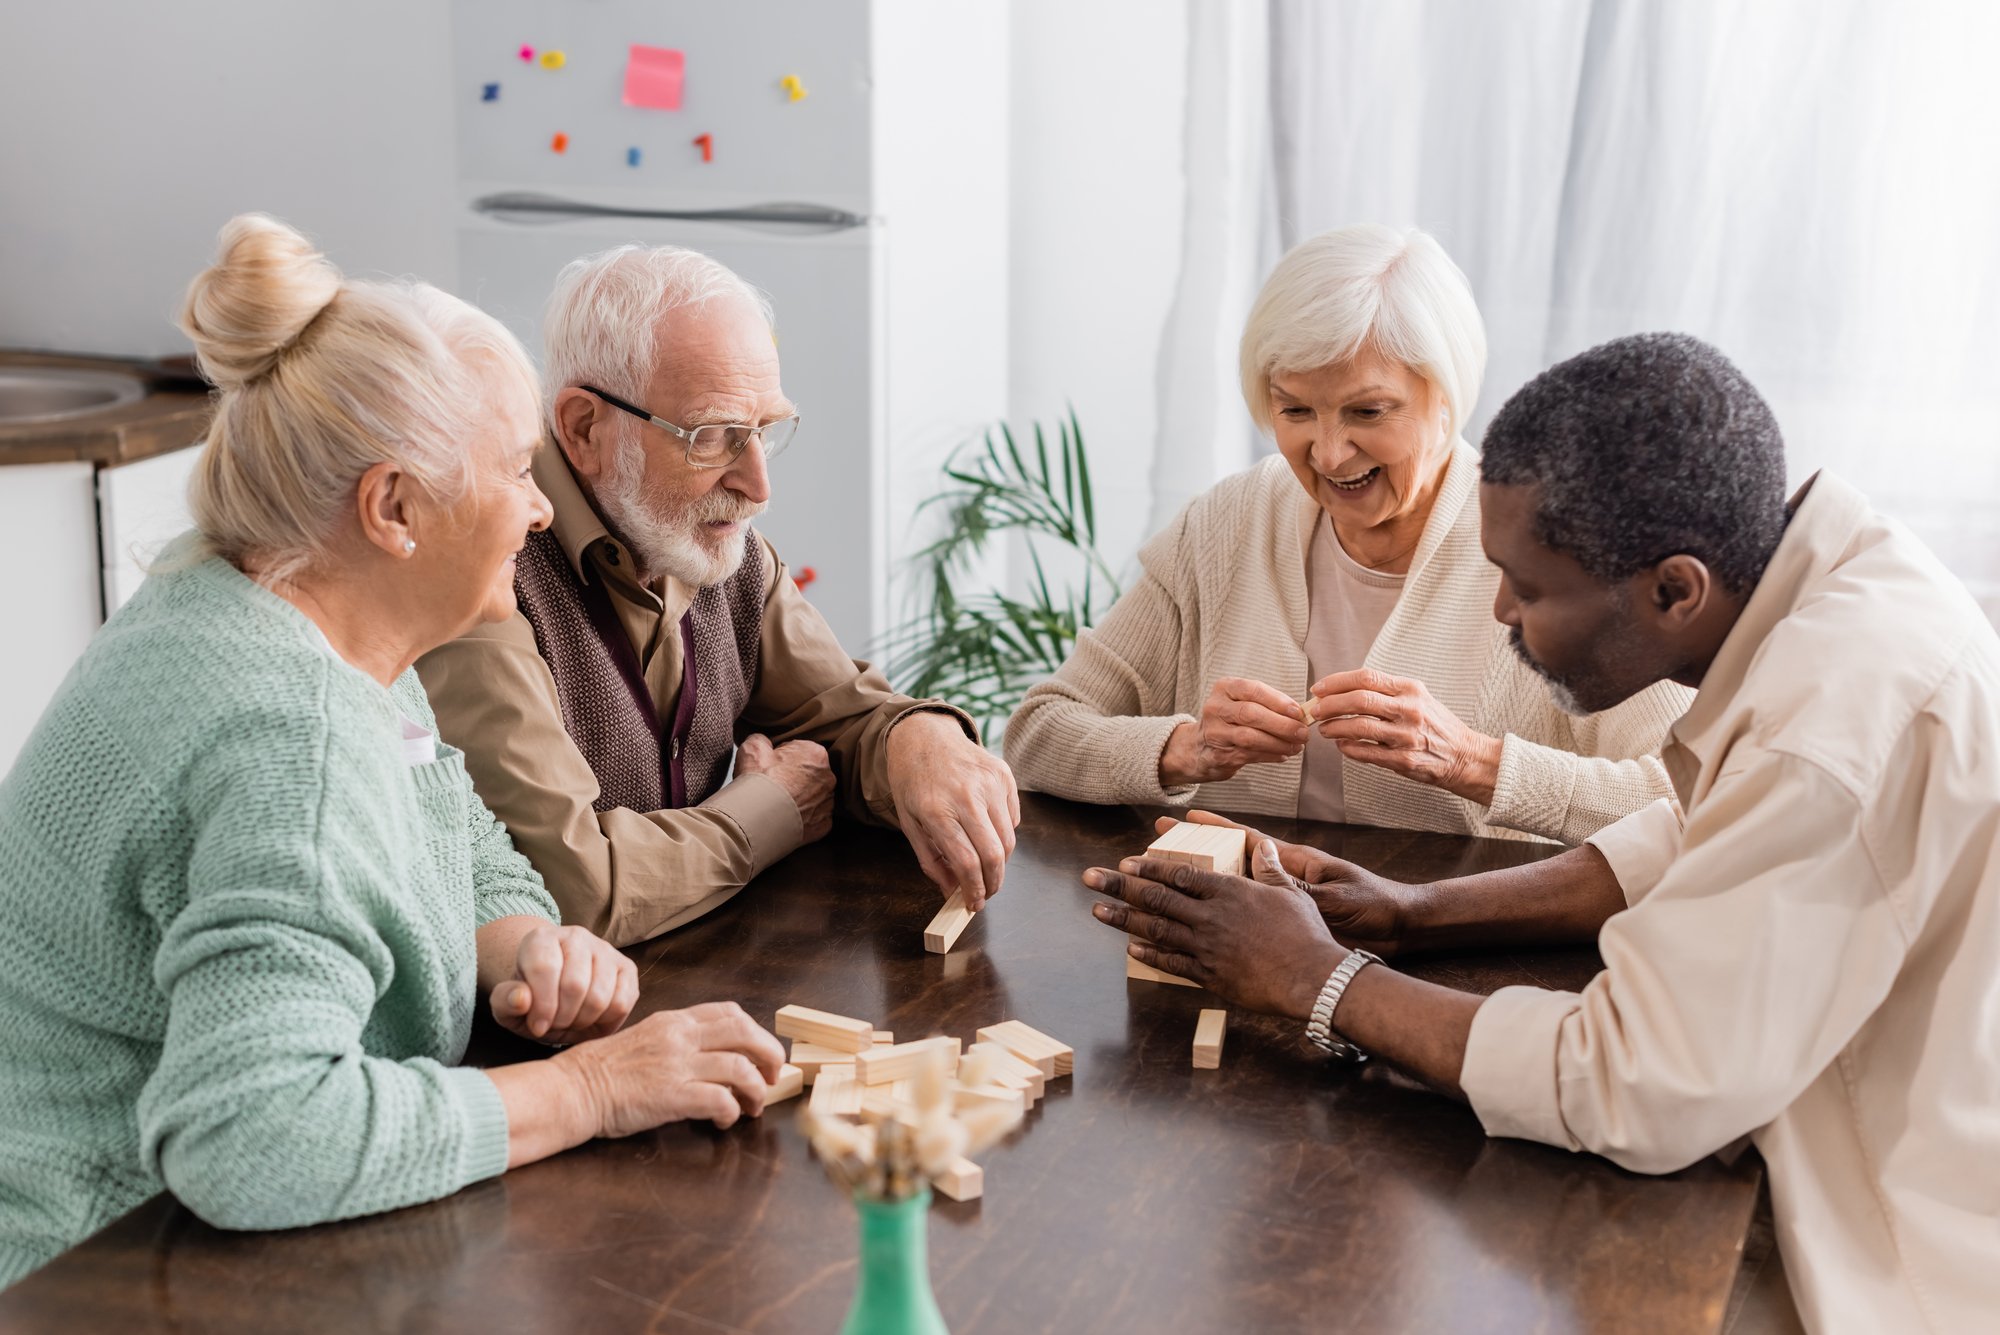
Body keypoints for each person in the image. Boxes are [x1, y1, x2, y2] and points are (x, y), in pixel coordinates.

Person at [1084, 333, 2000, 1332]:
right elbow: (1705, 836)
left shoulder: (1823, 730)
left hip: (1878, 1255)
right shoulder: (1829, 570)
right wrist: (1412, 913)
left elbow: (1635, 1087)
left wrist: (1317, 981)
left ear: (1672, 590)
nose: (1500, 610)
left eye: (1528, 587)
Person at [0, 217, 786, 1289]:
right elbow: (254, 1138)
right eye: (513, 469)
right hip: (102, 1269)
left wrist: (520, 943)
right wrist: (594, 1092)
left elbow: (448, 823)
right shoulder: (291, 731)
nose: (539, 506)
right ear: (395, 510)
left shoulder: (279, 601)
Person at [1006, 225, 1688, 844]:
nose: (1329, 453)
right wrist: (1181, 749)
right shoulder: (1227, 524)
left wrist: (1473, 762)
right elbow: (1039, 733)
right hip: (1224, 939)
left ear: (1446, 397)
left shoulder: (1558, 548)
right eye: (1295, 409)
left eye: (1369, 410)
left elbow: (1687, 798)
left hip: (1452, 963)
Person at [417, 247, 1016, 946]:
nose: (759, 485)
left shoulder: (707, 542)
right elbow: (574, 886)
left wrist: (920, 739)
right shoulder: (492, 564)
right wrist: (771, 807)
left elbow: (841, 719)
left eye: (764, 430)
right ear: (584, 429)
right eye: (712, 437)